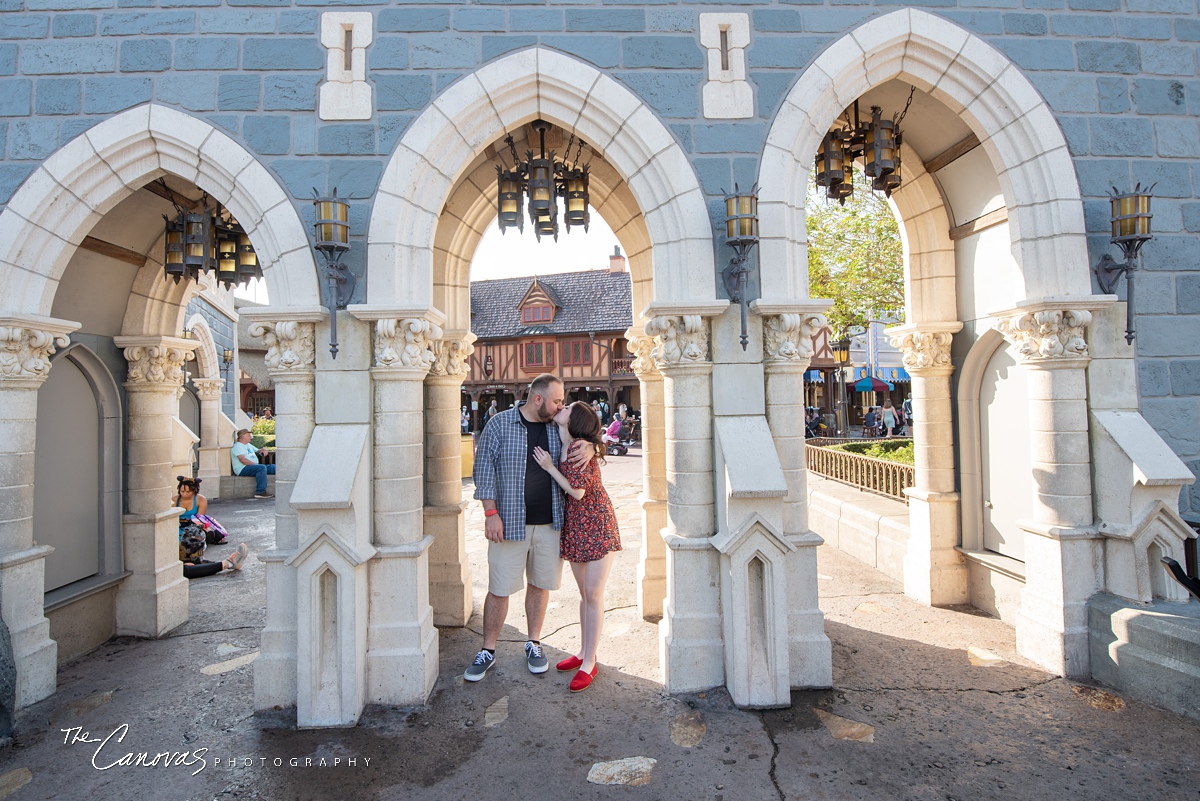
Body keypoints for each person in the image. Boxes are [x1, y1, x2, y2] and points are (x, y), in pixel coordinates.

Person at [465, 374, 591, 682]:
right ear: (538, 399)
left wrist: (588, 446)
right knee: (499, 589)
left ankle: (534, 643)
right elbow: (482, 470)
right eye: (557, 400)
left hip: (550, 525)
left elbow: (589, 438)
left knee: (540, 586)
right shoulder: (499, 424)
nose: (561, 406)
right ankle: (488, 650)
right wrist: (490, 512)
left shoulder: (558, 427)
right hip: (508, 523)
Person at [532, 402, 621, 692]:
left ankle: (589, 662)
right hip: (577, 525)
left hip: (595, 522)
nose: (562, 405)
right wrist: (596, 445)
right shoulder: (568, 442)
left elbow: (578, 491)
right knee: (585, 594)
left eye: (568, 407)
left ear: (575, 419)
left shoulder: (577, 446)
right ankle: (584, 652)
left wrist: (548, 468)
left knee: (593, 593)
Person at [174, 476, 226, 545]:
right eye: (182, 491)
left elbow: (200, 518)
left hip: (194, 525)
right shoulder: (174, 499)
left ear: (194, 490)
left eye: (188, 492)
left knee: (196, 534)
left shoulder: (201, 499)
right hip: (178, 526)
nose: (185, 494)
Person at [231, 429, 275, 498]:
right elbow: (243, 460)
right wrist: (256, 465)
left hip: (253, 466)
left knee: (273, 467)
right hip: (242, 468)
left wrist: (263, 449)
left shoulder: (248, 445)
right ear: (242, 437)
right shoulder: (238, 446)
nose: (250, 437)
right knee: (261, 468)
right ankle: (260, 492)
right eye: (248, 435)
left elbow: (258, 450)